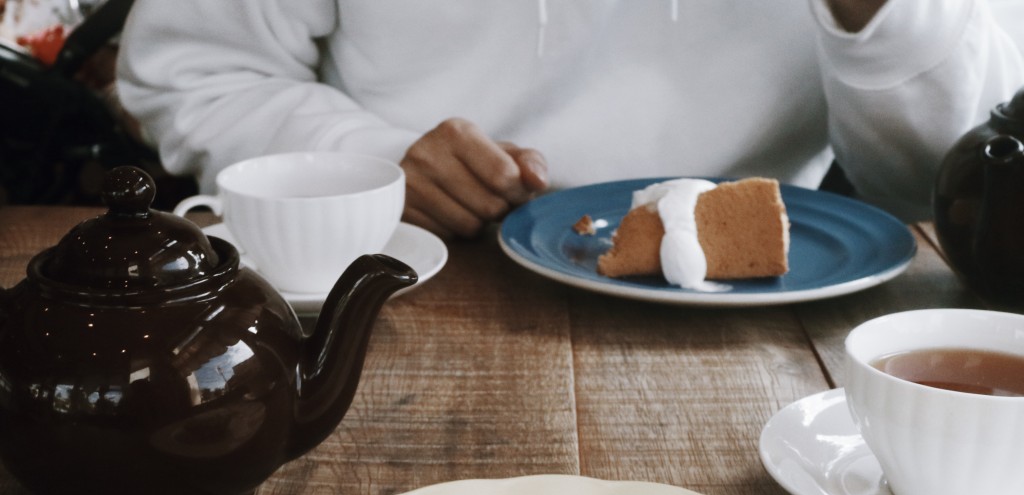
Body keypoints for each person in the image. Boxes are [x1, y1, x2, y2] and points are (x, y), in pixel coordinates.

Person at [116, 0, 1024, 238]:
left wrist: (881, 12)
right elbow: (190, 69)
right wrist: (366, 160)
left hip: (773, 318)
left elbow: (952, 183)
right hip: (397, 278)